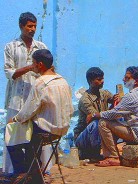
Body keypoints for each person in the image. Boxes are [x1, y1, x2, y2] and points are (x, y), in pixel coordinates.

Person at [6, 49, 73, 179]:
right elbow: (70, 109)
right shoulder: (63, 81)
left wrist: (14, 119)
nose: (33, 66)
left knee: (10, 130)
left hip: (46, 130)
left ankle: (22, 172)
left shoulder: (40, 82)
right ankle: (34, 171)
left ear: (40, 64)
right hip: (62, 128)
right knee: (28, 133)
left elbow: (28, 110)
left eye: (34, 63)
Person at [3, 12, 50, 175]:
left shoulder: (41, 47)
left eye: (35, 26)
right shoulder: (11, 47)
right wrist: (31, 67)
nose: (33, 29)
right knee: (13, 134)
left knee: (35, 135)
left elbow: (48, 71)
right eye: (29, 26)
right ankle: (15, 171)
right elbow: (10, 73)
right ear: (21, 26)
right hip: (16, 99)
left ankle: (38, 170)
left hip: (36, 98)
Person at [87, 66, 138, 167]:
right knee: (116, 121)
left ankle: (113, 157)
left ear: (136, 81)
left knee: (103, 122)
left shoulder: (131, 96)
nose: (123, 79)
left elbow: (112, 114)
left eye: (127, 78)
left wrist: (95, 115)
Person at [74, 67, 118, 161]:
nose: (102, 81)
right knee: (96, 123)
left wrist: (116, 100)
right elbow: (95, 116)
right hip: (83, 137)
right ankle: (94, 153)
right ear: (90, 81)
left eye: (102, 79)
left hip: (98, 132)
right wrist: (112, 110)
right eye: (99, 79)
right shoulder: (85, 100)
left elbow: (113, 103)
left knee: (119, 118)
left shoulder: (104, 93)